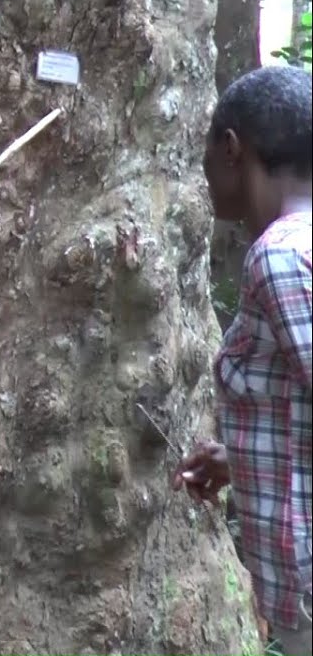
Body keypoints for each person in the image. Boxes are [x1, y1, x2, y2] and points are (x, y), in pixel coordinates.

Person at [173, 65, 312, 656]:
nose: (205, 181)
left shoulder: (278, 257)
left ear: (231, 149)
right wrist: (246, 459)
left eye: (206, 161)